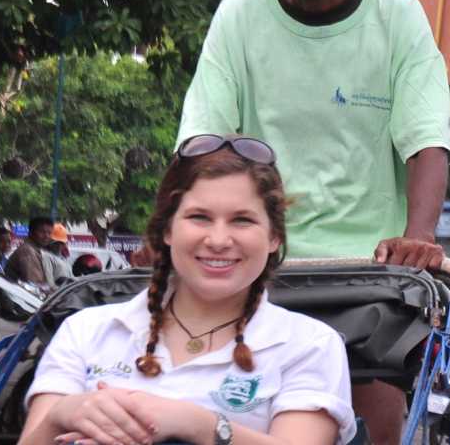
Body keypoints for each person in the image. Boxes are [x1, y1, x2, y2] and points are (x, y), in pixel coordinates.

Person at [177, 0, 450, 444]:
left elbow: (426, 139)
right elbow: (202, 142)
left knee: (376, 417)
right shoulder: (239, 15)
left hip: (371, 271)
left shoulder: (398, 18)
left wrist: (420, 234)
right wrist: (176, 229)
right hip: (257, 261)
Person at [20, 134, 354, 445]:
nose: (218, 240)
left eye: (242, 220)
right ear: (167, 230)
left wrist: (196, 424)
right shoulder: (85, 331)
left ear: (274, 237)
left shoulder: (310, 344)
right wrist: (63, 414)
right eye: (199, 217)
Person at [5, 216, 61, 290]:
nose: (46, 236)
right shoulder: (27, 251)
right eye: (42, 232)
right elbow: (36, 284)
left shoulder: (39, 251)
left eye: (49, 233)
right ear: (31, 232)